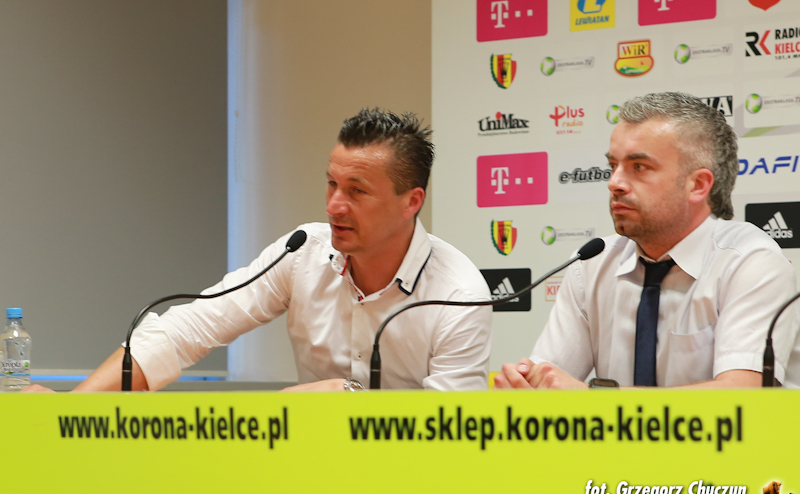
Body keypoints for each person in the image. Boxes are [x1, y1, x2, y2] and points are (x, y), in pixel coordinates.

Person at [33, 109, 492, 392]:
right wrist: (74, 410)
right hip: (308, 477)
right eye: (331, 184)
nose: (334, 205)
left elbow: (449, 437)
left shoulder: (459, 293)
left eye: (357, 191)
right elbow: (188, 329)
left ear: (411, 202)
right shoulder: (302, 252)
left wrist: (350, 403)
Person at [495, 92, 798, 390]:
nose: (614, 183)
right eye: (613, 166)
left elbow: (742, 393)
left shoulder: (750, 262)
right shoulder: (591, 264)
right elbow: (549, 379)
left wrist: (593, 400)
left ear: (698, 185)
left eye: (639, 167)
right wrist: (525, 387)